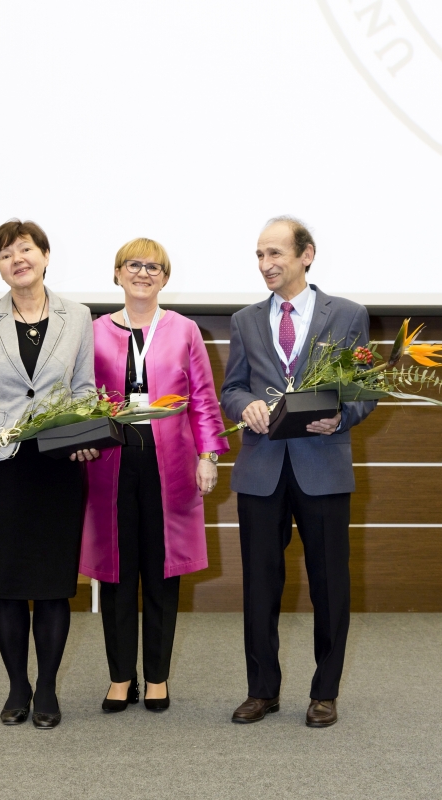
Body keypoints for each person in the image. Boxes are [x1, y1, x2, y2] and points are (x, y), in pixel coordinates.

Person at [221, 216, 376, 727]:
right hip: (262, 468)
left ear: (305, 255)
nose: (266, 265)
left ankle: (324, 691)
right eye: (259, 256)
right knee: (261, 585)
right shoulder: (244, 320)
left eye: (275, 254)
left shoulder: (349, 315)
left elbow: (364, 388)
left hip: (322, 465)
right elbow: (232, 389)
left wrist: (342, 416)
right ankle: (261, 690)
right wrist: (245, 407)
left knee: (330, 583)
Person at [78, 237, 229, 712]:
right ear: (117, 273)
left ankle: (158, 676)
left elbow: (203, 399)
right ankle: (121, 676)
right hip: (110, 463)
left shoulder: (185, 331)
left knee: (163, 572)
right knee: (118, 570)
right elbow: (81, 398)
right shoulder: (94, 331)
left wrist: (209, 455)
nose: (143, 273)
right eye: (133, 265)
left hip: (171, 464)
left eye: (153, 267)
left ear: (165, 277)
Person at [0, 219, 95, 729]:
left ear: (44, 255)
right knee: (10, 585)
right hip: (0, 466)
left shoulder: (76, 316)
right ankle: (18, 686)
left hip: (57, 465)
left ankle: (49, 689)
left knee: (54, 584)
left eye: (25, 249)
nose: (17, 259)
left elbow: (83, 387)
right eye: (5, 254)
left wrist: (82, 437)